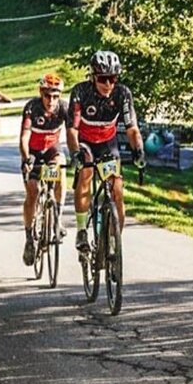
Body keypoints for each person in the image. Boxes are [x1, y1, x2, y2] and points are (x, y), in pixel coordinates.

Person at [66, 50, 143, 256]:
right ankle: (82, 230)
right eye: (103, 79)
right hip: (85, 142)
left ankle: (113, 238)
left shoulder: (122, 93)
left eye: (113, 78)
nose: (108, 84)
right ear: (93, 77)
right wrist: (75, 153)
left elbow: (132, 129)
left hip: (108, 142)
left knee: (117, 188)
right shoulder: (81, 92)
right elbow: (72, 130)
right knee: (86, 174)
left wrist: (138, 150)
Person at [19, 72, 69, 265]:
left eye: (55, 96)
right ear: (41, 93)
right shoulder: (32, 107)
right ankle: (29, 237)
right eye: (48, 95)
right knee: (32, 192)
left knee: (60, 169)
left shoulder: (64, 108)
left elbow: (74, 131)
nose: (51, 100)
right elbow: (24, 138)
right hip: (32, 151)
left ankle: (56, 220)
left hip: (51, 150)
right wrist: (26, 159)